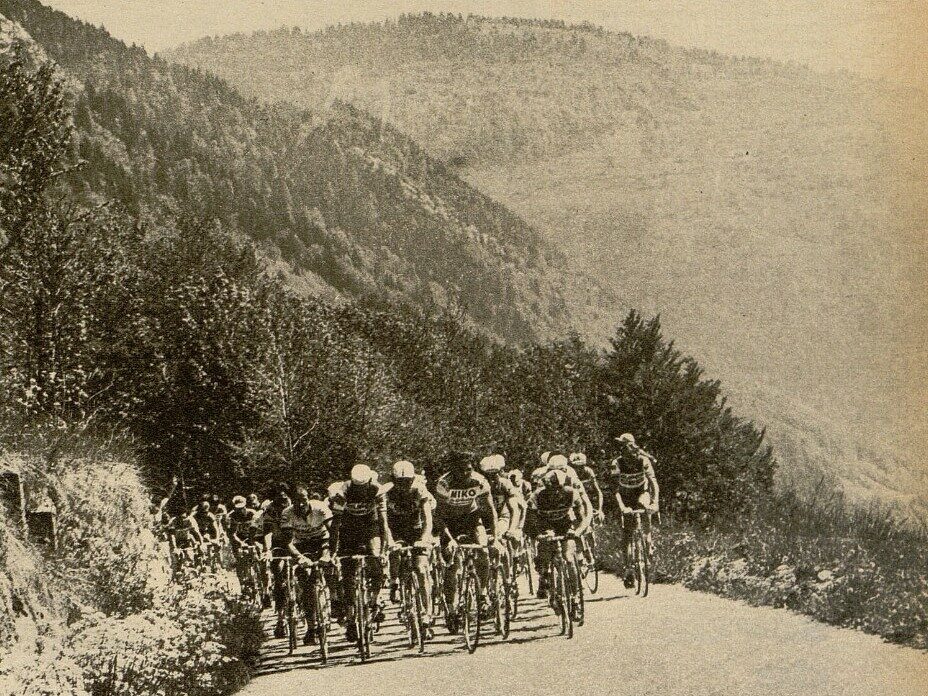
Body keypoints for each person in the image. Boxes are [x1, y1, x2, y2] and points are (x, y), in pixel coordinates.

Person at [432, 450, 498, 627]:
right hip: (449, 523)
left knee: (483, 552)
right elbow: (438, 516)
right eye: (461, 470)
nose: (465, 473)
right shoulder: (444, 484)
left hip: (471, 519)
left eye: (468, 469)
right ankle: (452, 610)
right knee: (452, 567)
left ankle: (483, 595)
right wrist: (449, 538)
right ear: (453, 470)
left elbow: (490, 511)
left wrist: (496, 537)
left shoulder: (479, 481)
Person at [328, 464, 392, 643]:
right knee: (347, 575)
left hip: (370, 528)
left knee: (375, 558)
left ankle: (375, 600)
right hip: (349, 530)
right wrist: (333, 551)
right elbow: (335, 525)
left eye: (363, 486)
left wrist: (384, 551)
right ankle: (350, 618)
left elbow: (383, 522)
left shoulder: (376, 489)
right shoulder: (343, 491)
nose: (361, 489)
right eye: (358, 487)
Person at [281, 486, 334, 646]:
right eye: (297, 502)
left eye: (304, 500)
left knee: (332, 569)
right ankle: (311, 628)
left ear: (308, 498)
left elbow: (334, 532)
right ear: (292, 502)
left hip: (322, 542)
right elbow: (287, 541)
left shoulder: (320, 508)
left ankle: (337, 601)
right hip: (302, 546)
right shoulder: (287, 513)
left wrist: (330, 553)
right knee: (306, 586)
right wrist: (299, 557)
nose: (301, 505)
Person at [385, 460, 435, 628]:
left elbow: (428, 519)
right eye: (400, 482)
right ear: (393, 479)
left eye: (407, 482)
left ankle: (427, 612)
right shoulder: (387, 493)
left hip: (417, 531)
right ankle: (394, 583)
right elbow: (383, 522)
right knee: (395, 554)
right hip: (397, 531)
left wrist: (425, 538)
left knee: (421, 569)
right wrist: (390, 541)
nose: (403, 486)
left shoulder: (419, 490)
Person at [530, 469, 592, 604]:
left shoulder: (571, 493)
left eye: (558, 488)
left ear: (563, 485)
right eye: (551, 488)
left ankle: (575, 596)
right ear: (545, 487)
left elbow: (583, 518)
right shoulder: (537, 496)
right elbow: (529, 521)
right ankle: (544, 577)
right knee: (544, 557)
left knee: (569, 558)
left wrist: (577, 532)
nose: (555, 491)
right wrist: (539, 535)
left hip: (565, 526)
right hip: (545, 527)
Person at [611, 433, 660, 588]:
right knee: (626, 533)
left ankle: (648, 542)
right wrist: (621, 507)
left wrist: (655, 502)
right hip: (625, 496)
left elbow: (653, 482)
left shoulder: (643, 460)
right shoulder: (617, 463)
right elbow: (615, 489)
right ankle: (628, 569)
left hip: (641, 493)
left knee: (644, 508)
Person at [262, 486, 293, 638]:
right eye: (278, 499)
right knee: (279, 579)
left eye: (284, 499)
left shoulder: (294, 505)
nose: (282, 502)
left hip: (296, 543)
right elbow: (267, 531)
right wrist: (267, 550)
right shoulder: (270, 509)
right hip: (278, 545)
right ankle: (280, 620)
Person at [228, 495, 263, 599]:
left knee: (258, 557)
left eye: (242, 508)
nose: (240, 510)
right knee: (240, 561)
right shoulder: (232, 516)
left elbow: (258, 528)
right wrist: (240, 543)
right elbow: (232, 533)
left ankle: (261, 581)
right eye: (238, 508)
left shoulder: (252, 513)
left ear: (245, 506)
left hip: (252, 538)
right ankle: (243, 585)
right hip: (238, 540)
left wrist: (255, 541)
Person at [569, 452, 604, 524]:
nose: (578, 469)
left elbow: (598, 492)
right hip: (576, 503)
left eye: (581, 466)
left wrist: (600, 509)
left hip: (589, 500)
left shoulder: (588, 471)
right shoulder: (570, 474)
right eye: (576, 467)